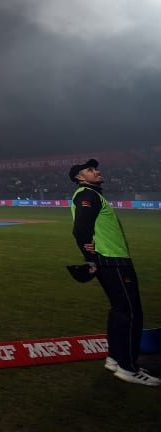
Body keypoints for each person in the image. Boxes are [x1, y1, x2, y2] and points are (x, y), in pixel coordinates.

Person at [69, 158, 159, 386]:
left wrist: (91, 257)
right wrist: (89, 256)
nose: (96, 171)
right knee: (130, 313)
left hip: (110, 259)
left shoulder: (90, 194)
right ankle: (128, 367)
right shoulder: (87, 194)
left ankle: (114, 358)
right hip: (112, 260)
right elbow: (80, 228)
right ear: (80, 178)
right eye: (90, 170)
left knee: (120, 310)